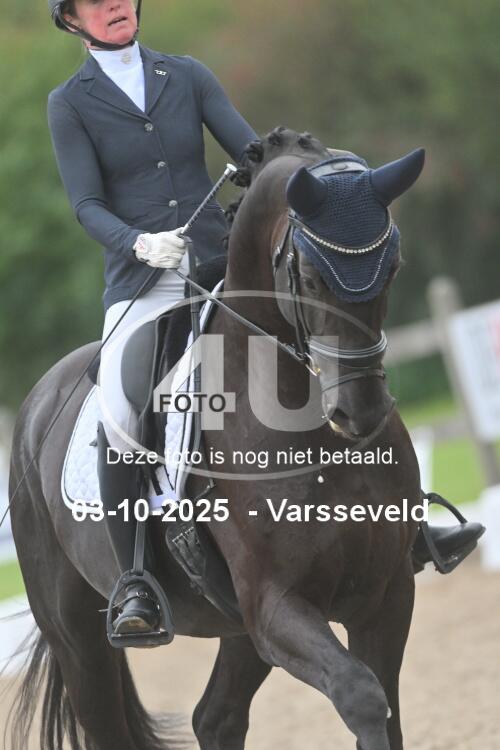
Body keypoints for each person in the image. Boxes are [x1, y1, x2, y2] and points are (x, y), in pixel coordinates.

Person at [47, 0, 484, 640]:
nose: (112, 2)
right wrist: (138, 243)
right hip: (144, 282)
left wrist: (328, 185)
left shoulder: (185, 74)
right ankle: (136, 579)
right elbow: (86, 204)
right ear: (71, 19)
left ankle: (409, 522)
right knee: (122, 403)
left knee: (330, 348)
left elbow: (259, 158)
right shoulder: (69, 103)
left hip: (222, 266)